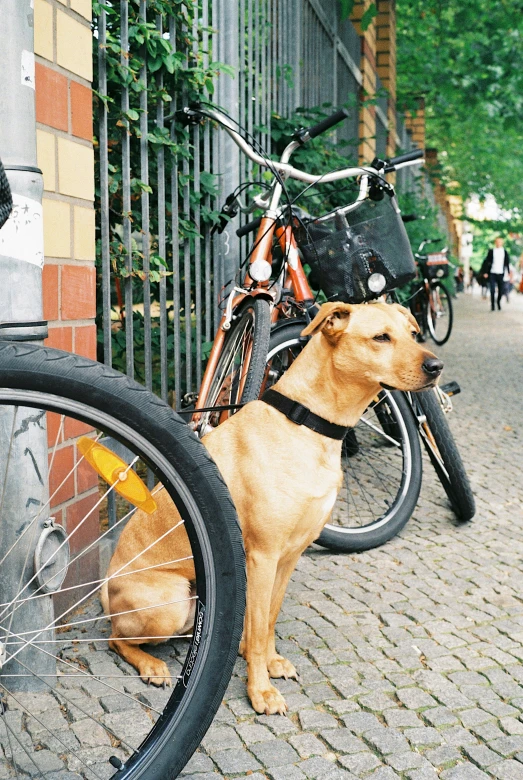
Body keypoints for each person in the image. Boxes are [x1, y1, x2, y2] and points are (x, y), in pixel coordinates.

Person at [480, 237, 511, 311]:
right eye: (497, 242)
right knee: (492, 290)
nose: (498, 243)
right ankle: (492, 305)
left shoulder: (504, 252)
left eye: (500, 242)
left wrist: (509, 272)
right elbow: (487, 262)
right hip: (492, 273)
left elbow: (507, 263)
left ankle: (498, 302)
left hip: (501, 273)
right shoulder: (491, 251)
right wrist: (485, 272)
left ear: (502, 243)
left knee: (501, 290)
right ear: (495, 243)